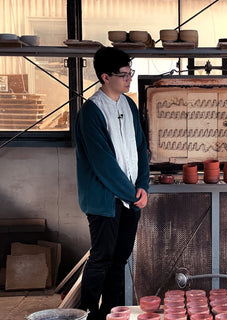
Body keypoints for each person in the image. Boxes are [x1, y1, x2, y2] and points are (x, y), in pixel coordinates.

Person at [75, 47, 150, 320]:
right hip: (104, 201)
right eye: (124, 75)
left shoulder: (129, 105)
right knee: (101, 259)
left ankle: (113, 313)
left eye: (131, 73)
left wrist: (143, 186)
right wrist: (132, 194)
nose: (129, 79)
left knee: (119, 260)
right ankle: (88, 314)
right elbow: (103, 164)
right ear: (105, 77)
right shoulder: (91, 112)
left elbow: (141, 148)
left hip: (131, 197)